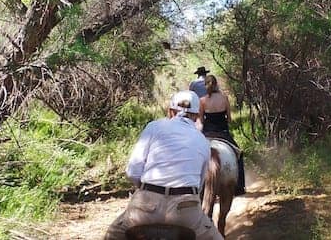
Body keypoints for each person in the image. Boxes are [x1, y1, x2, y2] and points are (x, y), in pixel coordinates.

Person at [104, 90, 223, 240]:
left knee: (112, 235)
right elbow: (198, 186)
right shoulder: (203, 141)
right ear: (197, 115)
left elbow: (132, 171)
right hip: (186, 210)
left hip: (145, 207)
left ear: (170, 111)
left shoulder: (154, 127)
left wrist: (146, 190)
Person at [197, 75, 246, 196]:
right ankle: (239, 186)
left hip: (207, 133)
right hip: (223, 133)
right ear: (216, 84)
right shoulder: (224, 98)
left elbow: (201, 120)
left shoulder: (202, 101)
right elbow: (229, 119)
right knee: (239, 154)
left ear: (206, 86)